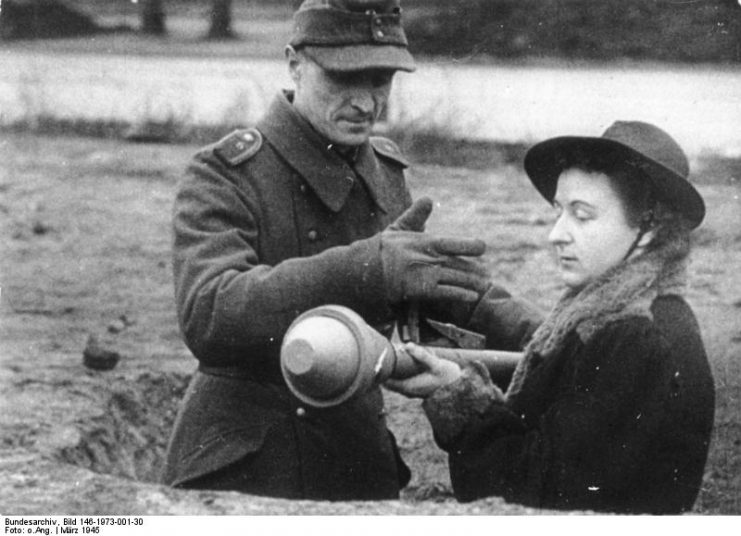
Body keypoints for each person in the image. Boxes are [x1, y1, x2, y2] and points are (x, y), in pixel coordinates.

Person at [161, 0, 494, 501]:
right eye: (344, 79)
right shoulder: (226, 174)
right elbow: (210, 313)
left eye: (380, 81)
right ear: (295, 64)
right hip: (245, 472)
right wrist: (366, 271)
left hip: (355, 460)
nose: (365, 103)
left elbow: (439, 287)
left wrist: (553, 332)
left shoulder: (383, 171)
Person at [385, 121, 716, 514]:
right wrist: (453, 381)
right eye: (560, 212)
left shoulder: (635, 337)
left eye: (583, 215)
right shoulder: (620, 314)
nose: (556, 234)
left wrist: (462, 402)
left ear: (649, 229)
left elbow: (541, 496)